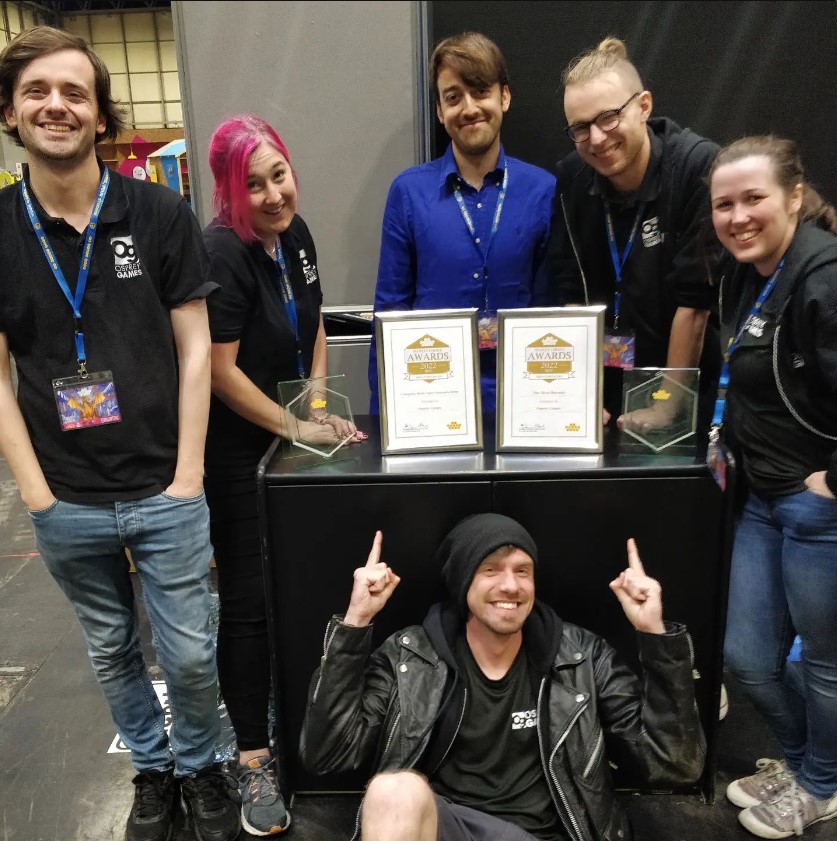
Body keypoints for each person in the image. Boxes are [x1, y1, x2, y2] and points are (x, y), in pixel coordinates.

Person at [0, 26, 239, 841]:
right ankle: (156, 768)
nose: (56, 105)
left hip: (163, 487)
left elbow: (197, 345)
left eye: (75, 91)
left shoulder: (160, 212)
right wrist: (34, 489)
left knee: (192, 654)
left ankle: (204, 763)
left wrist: (188, 473)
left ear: (102, 115)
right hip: (63, 496)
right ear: (10, 110)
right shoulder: (0, 226)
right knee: (109, 650)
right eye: (37, 90)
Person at [300, 513, 705, 840]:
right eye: (490, 569)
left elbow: (673, 766)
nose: (510, 586)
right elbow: (328, 755)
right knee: (392, 792)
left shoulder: (581, 656)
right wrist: (356, 623)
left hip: (546, 834)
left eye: (522, 570)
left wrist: (654, 635)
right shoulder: (411, 656)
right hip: (449, 828)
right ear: (463, 582)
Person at [203, 114, 365, 836]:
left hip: (290, 438)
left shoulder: (294, 236)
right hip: (238, 452)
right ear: (229, 191)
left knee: (309, 581)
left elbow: (317, 323)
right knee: (246, 604)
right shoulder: (221, 252)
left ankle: (311, 724)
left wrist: (319, 407)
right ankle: (253, 756)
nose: (271, 193)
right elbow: (218, 371)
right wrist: (292, 424)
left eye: (278, 174)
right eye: (253, 183)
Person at [709, 136, 837, 838]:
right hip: (759, 498)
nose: (737, 215)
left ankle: (821, 783)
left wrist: (833, 485)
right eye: (723, 204)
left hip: (817, 509)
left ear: (792, 195)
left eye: (752, 197)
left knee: (823, 663)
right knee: (747, 657)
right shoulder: (743, 272)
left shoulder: (823, 272)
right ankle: (802, 759)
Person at [368, 31, 556, 416]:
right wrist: (383, 411)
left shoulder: (544, 191)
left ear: (504, 96)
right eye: (453, 97)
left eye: (480, 91)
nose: (469, 108)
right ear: (440, 111)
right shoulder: (408, 193)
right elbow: (390, 312)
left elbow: (550, 309)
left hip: (522, 406)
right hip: (432, 405)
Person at [548, 37, 720, 436]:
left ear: (643, 106)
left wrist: (666, 406)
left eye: (608, 117)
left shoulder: (698, 167)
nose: (596, 138)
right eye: (580, 127)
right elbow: (574, 294)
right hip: (605, 392)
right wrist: (580, 396)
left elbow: (694, 307)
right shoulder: (571, 177)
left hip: (685, 389)